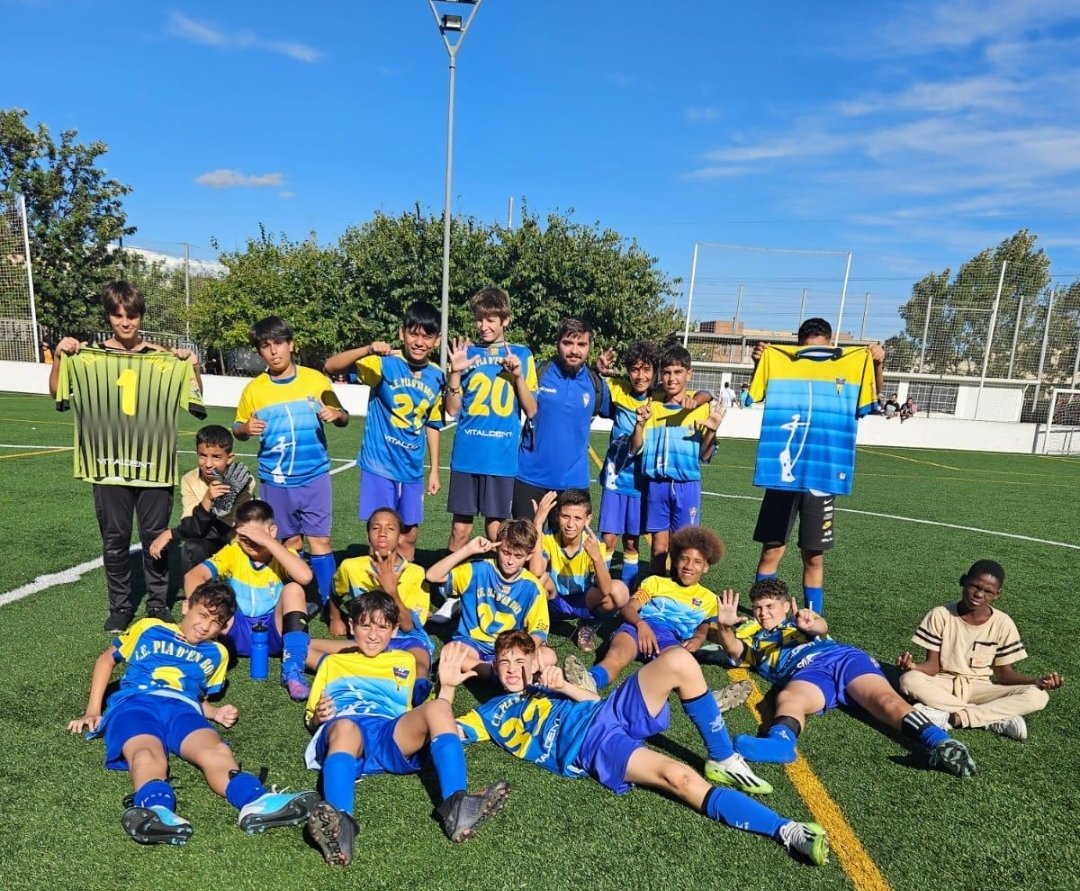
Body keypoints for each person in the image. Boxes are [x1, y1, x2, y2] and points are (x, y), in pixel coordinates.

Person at [438, 632, 830, 866]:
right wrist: (448, 688)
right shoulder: (490, 712)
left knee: (678, 658)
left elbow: (588, 701)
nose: (510, 669)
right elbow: (445, 731)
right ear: (493, 665)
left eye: (518, 662)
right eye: (503, 662)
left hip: (605, 709)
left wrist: (563, 686)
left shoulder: (544, 683)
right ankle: (788, 830)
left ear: (531, 664)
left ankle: (722, 756)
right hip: (592, 743)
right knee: (678, 776)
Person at [68, 579, 319, 846]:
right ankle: (155, 810)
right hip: (135, 704)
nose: (205, 626)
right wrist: (92, 710)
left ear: (223, 628)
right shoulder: (150, 628)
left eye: (215, 623)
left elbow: (196, 697)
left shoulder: (217, 654)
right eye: (202, 615)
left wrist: (215, 712)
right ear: (187, 606)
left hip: (183, 709)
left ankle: (255, 800)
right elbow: (107, 660)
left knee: (217, 751)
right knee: (146, 753)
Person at [303, 591, 508, 865]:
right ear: (352, 626)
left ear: (394, 630)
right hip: (346, 730)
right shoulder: (333, 663)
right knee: (346, 728)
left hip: (389, 730)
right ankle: (341, 824)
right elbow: (312, 718)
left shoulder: (404, 661)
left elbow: (421, 713)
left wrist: (446, 687)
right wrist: (318, 716)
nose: (373, 635)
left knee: (439, 708)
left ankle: (457, 805)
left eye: (382, 627)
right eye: (365, 625)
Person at [51, 280, 205, 632]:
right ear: (108, 315)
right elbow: (57, 395)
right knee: (115, 540)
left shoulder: (164, 359)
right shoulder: (85, 356)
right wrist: (60, 357)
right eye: (118, 315)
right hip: (106, 465)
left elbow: (196, 400)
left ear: (140, 316)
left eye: (132, 315)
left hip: (154, 463)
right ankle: (119, 607)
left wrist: (191, 365)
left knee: (156, 538)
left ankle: (157, 603)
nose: (125, 322)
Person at [710, 578, 976, 777]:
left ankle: (941, 742)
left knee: (885, 702)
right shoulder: (755, 640)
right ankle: (780, 744)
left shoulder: (798, 622)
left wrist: (810, 622)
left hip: (842, 659)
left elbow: (821, 626)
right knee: (789, 697)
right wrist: (724, 626)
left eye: (770, 606)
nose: (763, 612)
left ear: (786, 606)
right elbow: (733, 648)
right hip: (807, 674)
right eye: (757, 608)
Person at [748, 318, 884, 613]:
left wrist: (876, 365)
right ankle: (762, 613)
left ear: (832, 344)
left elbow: (871, 402)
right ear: (797, 346)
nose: (815, 357)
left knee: (814, 557)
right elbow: (756, 393)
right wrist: (760, 362)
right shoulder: (779, 360)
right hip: (782, 478)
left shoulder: (852, 363)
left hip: (822, 476)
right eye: (808, 350)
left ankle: (812, 621)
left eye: (821, 350)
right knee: (772, 550)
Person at [233, 316, 348, 625]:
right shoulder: (254, 390)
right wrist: (245, 427)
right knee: (289, 544)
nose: (273, 352)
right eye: (265, 347)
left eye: (278, 344)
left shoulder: (316, 380)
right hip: (276, 480)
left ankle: (328, 604)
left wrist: (334, 413)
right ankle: (298, 601)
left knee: (320, 541)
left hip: (314, 476)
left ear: (291, 344)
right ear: (260, 352)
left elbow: (344, 416)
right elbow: (237, 428)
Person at [323, 301, 447, 562]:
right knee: (381, 533)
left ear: (436, 341)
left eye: (427, 336)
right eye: (413, 334)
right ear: (402, 333)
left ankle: (401, 589)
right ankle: (376, 598)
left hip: (412, 468)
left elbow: (432, 423)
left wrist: (434, 469)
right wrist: (368, 348)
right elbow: (331, 366)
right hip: (379, 464)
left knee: (410, 534)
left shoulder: (437, 375)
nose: (419, 342)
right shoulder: (383, 363)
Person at [897, 559, 1063, 741]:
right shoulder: (941, 615)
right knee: (909, 680)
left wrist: (1036, 681)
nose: (978, 594)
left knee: (1038, 696)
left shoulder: (1003, 623)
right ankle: (991, 720)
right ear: (963, 581)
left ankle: (953, 717)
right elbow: (933, 667)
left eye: (988, 592)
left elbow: (1004, 675)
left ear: (997, 594)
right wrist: (913, 667)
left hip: (981, 688)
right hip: (943, 683)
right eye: (974, 586)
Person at [184, 499, 314, 701]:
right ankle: (202, 663)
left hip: (273, 630)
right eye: (244, 537)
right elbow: (192, 576)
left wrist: (269, 542)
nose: (251, 542)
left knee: (294, 590)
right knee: (214, 596)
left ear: (272, 531)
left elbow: (305, 576)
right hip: (235, 629)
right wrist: (203, 614)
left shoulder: (282, 554)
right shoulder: (234, 553)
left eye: (257, 536)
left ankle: (292, 670)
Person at [310, 507, 436, 704]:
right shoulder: (351, 566)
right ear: (368, 535)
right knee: (306, 646)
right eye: (376, 528)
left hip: (406, 639)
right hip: (369, 638)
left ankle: (419, 685)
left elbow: (409, 626)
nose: (383, 534)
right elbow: (335, 589)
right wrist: (335, 618)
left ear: (401, 538)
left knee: (418, 659)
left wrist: (391, 590)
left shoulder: (416, 574)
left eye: (390, 529)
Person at [574, 526, 722, 694]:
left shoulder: (709, 599)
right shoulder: (656, 582)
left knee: (682, 667)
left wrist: (697, 640)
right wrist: (641, 625)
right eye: (684, 559)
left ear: (706, 567)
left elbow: (703, 628)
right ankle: (591, 680)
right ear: (675, 560)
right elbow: (628, 608)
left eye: (697, 562)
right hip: (637, 628)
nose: (689, 566)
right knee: (616, 656)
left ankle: (707, 699)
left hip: (670, 638)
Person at [444, 287, 538, 551]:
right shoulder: (467, 352)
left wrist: (518, 376)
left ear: (505, 320)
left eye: (490, 320)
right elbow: (452, 409)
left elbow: (531, 410)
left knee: (497, 531)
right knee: (459, 530)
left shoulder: (521, 354)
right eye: (479, 319)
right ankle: (451, 589)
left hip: (501, 457)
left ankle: (496, 586)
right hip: (467, 454)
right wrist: (454, 372)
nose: (483, 326)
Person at [630, 344, 725, 574]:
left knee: (683, 549)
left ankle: (679, 595)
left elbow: (705, 455)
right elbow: (635, 449)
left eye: (678, 372)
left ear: (689, 374)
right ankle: (656, 593)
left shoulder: (699, 408)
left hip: (686, 486)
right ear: (661, 375)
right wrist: (640, 425)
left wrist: (711, 431)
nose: (672, 378)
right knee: (658, 549)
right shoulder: (652, 407)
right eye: (667, 372)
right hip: (657, 485)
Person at [425, 518, 555, 678]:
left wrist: (520, 654)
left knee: (549, 656)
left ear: (529, 556)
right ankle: (501, 674)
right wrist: (468, 549)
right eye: (506, 552)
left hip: (510, 649)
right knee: (449, 652)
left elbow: (539, 631)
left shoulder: (532, 587)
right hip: (472, 643)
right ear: (497, 545)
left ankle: (493, 672)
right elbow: (432, 575)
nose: (510, 561)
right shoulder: (477, 569)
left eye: (518, 556)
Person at [511, 318, 609, 520]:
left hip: (574, 483)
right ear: (557, 343)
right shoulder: (538, 372)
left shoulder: (596, 383)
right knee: (526, 546)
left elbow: (628, 407)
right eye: (568, 343)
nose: (574, 350)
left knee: (569, 549)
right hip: (530, 478)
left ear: (590, 347)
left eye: (581, 344)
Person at [530, 488, 630, 653]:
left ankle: (588, 624)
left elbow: (605, 589)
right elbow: (535, 571)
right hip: (553, 600)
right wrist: (538, 525)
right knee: (538, 580)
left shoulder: (593, 544)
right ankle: (540, 624)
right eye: (565, 516)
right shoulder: (548, 539)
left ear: (587, 519)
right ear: (557, 516)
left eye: (577, 518)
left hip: (583, 601)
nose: (570, 524)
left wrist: (597, 558)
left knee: (620, 591)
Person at [148, 424, 256, 573]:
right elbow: (191, 527)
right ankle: (194, 595)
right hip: (209, 540)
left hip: (238, 542)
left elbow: (223, 529)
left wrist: (171, 533)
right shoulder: (189, 479)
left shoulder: (243, 480)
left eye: (216, 457)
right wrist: (207, 499)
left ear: (230, 458)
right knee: (193, 546)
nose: (208, 464)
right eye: (203, 455)